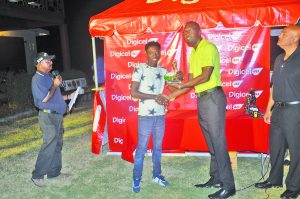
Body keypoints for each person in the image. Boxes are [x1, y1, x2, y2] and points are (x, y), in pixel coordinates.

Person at [162, 21, 236, 199]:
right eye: (184, 32)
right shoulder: (193, 54)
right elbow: (189, 84)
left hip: (213, 98)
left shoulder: (208, 48)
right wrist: (169, 92)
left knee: (218, 142)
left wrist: (182, 83)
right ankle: (216, 178)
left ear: (199, 31)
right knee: (211, 144)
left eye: (189, 30)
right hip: (202, 100)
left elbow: (205, 76)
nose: (186, 33)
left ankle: (229, 186)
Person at [254, 25, 300, 199]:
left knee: (297, 150)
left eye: (285, 33)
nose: (280, 35)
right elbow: (273, 87)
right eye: (281, 33)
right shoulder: (280, 58)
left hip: (296, 110)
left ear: (295, 39)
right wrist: (268, 109)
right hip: (278, 110)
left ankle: (295, 186)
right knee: (275, 147)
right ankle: (274, 179)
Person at [130, 41, 181, 193]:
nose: (155, 55)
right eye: (152, 52)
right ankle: (136, 179)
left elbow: (176, 86)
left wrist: (178, 76)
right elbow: (133, 93)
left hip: (160, 116)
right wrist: (155, 96)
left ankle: (157, 175)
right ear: (146, 53)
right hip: (145, 116)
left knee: (158, 148)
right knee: (141, 149)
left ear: (160, 53)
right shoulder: (139, 69)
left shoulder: (163, 71)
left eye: (157, 52)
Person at [31, 52, 73, 187]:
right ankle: (37, 175)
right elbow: (44, 100)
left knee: (57, 144)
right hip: (47, 116)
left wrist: (69, 97)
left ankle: (54, 172)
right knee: (49, 143)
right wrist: (54, 85)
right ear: (39, 63)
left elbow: (54, 97)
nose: (51, 63)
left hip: (57, 115)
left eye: (51, 61)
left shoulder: (49, 76)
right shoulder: (37, 79)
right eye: (47, 61)